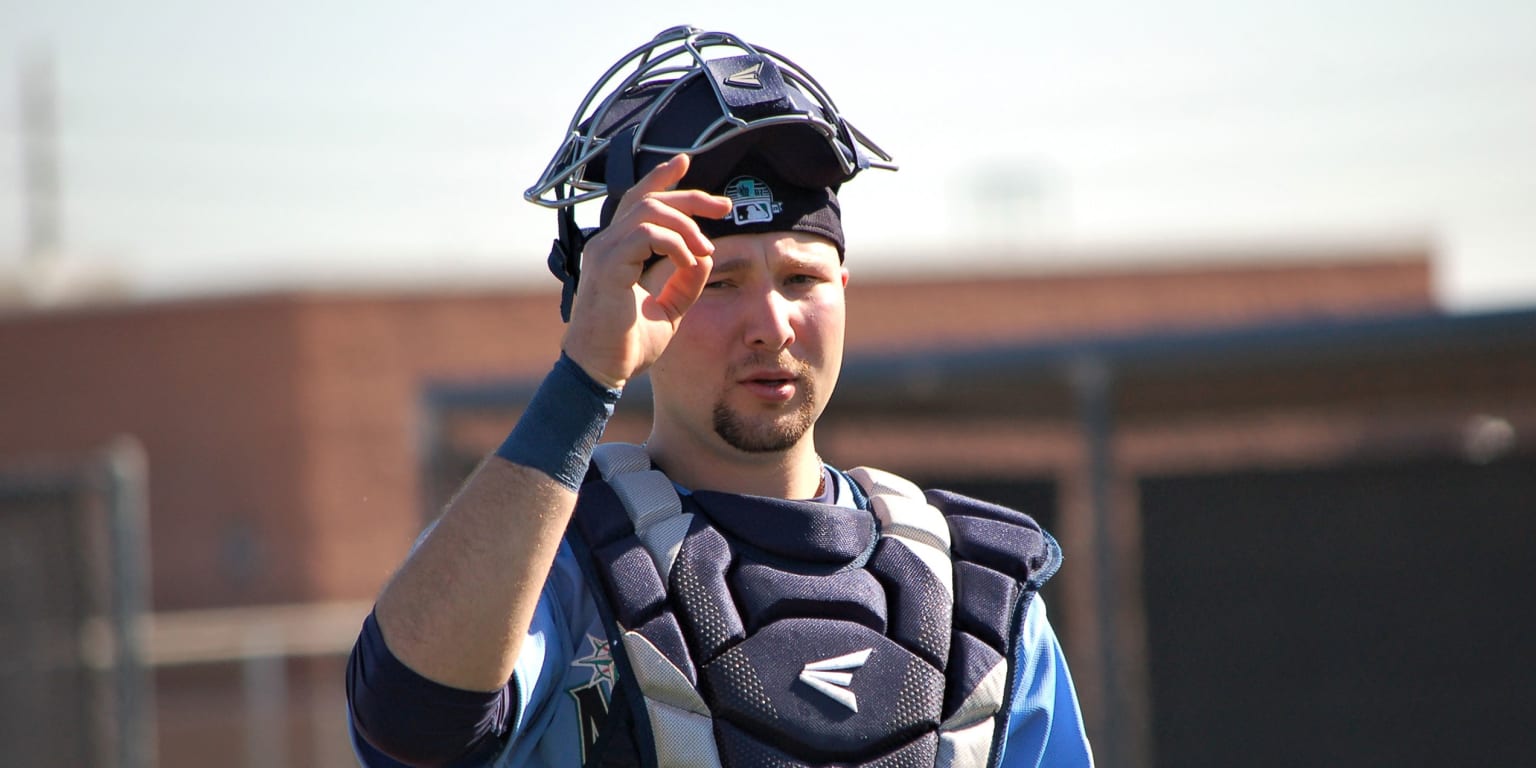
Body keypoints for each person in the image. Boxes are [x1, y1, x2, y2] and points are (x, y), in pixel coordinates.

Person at [346, 25, 1093, 768]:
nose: (771, 325)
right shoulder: (555, 561)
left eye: (801, 279)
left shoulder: (976, 591)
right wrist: (584, 376)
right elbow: (412, 723)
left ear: (844, 290)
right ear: (626, 296)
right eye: (717, 283)